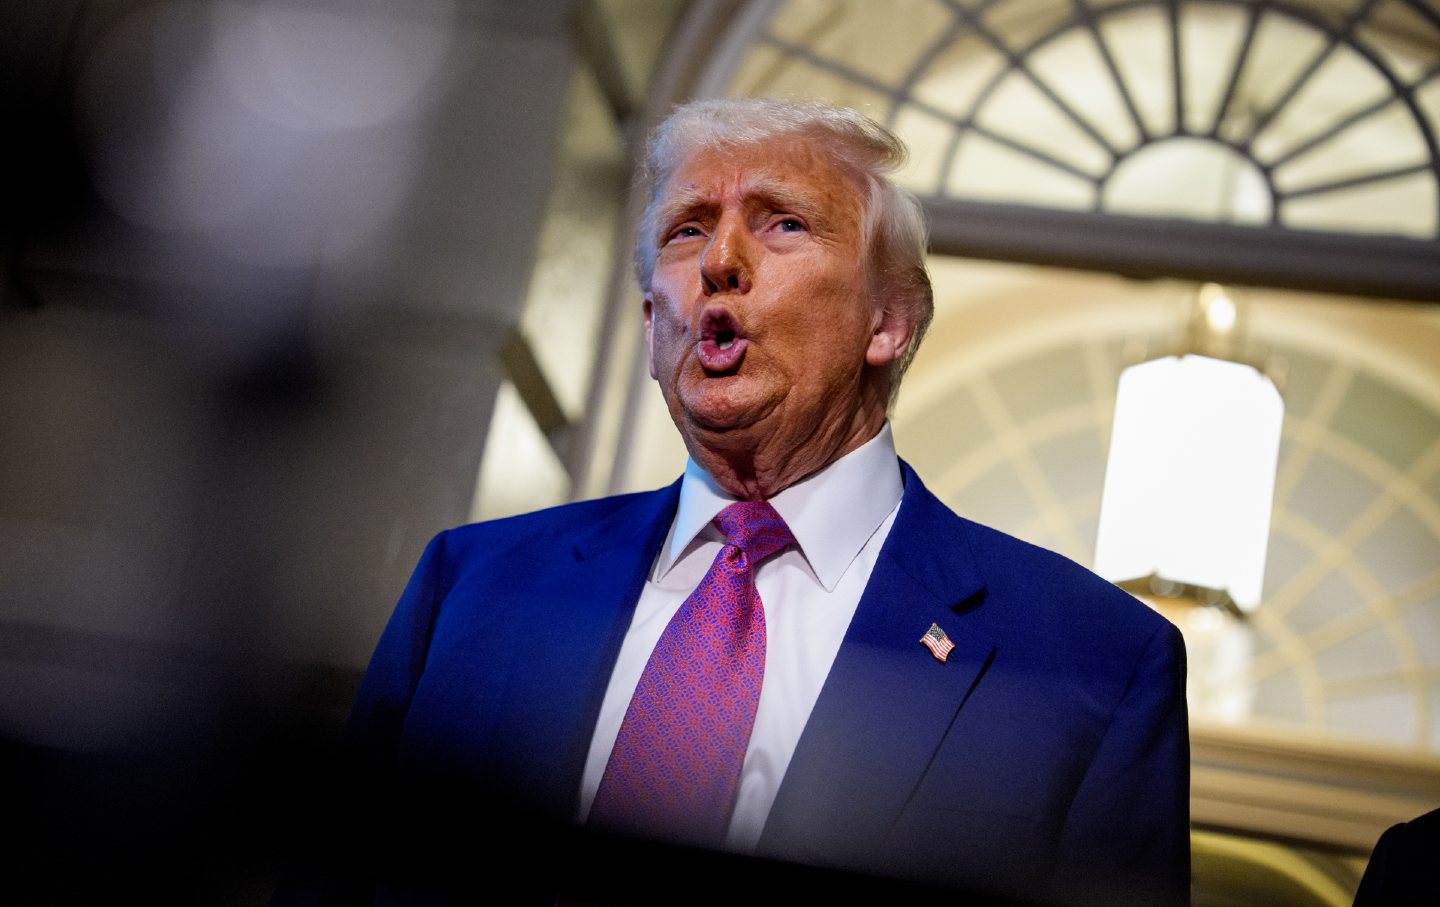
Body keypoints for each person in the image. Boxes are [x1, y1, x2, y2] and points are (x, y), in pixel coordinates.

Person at [340, 98, 1190, 906]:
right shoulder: (473, 586)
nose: (719, 261)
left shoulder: (1097, 667)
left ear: (887, 322)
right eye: (689, 228)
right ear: (649, 323)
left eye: (783, 221)